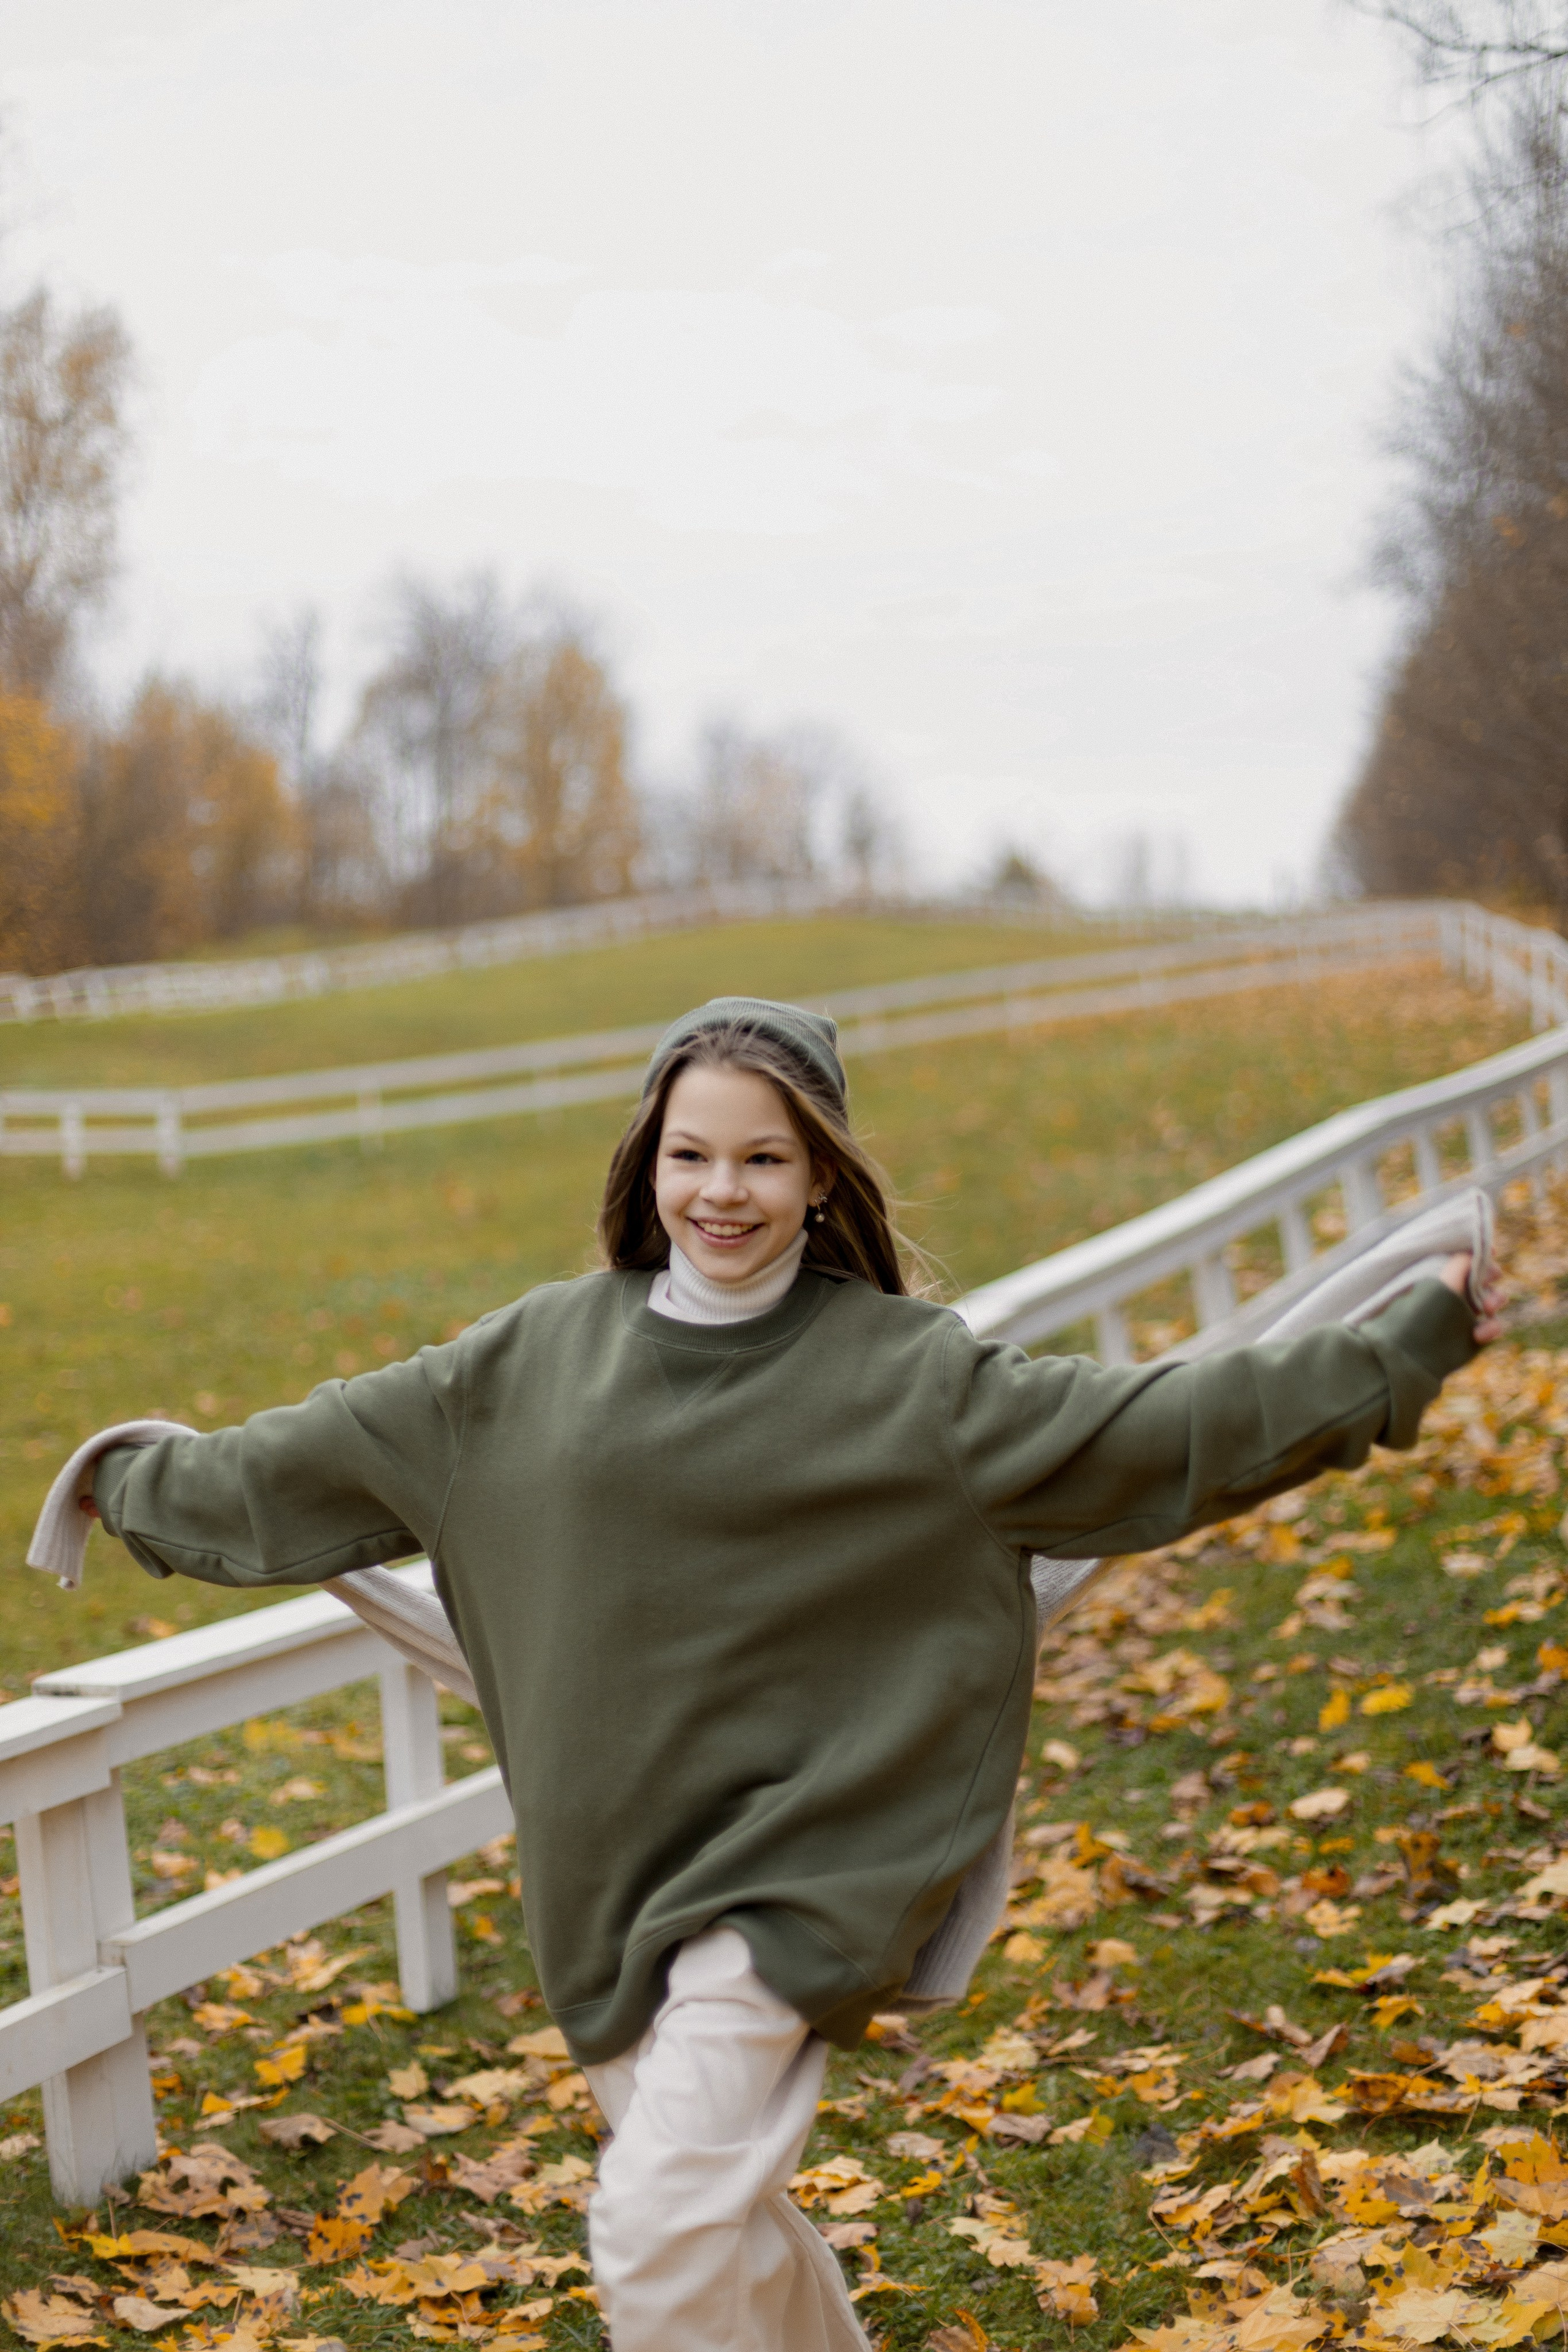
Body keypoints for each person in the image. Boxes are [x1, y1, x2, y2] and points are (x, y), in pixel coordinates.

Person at [76, 996, 1497, 2352]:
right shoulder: (522, 1366)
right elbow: (301, 1460)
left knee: (651, 2226)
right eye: (692, 1154)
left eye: (763, 1156)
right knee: (721, 2227)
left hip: (802, 1869)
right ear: (649, 1163)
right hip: (611, 1872)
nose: (723, 1191)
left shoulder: (913, 1380)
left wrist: (1393, 1353)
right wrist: (127, 1482)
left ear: (820, 1175)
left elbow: (1165, 1426)